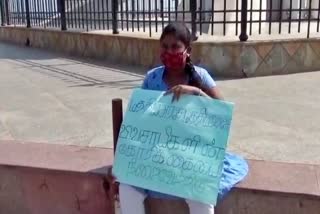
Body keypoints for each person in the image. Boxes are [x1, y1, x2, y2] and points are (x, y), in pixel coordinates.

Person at [118, 22, 248, 214]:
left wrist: (195, 92)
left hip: (193, 155)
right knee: (127, 188)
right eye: (164, 46)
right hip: (157, 154)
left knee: (200, 196)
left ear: (188, 50)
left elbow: (222, 112)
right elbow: (138, 118)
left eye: (175, 47)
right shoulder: (152, 78)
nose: (169, 51)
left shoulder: (201, 77)